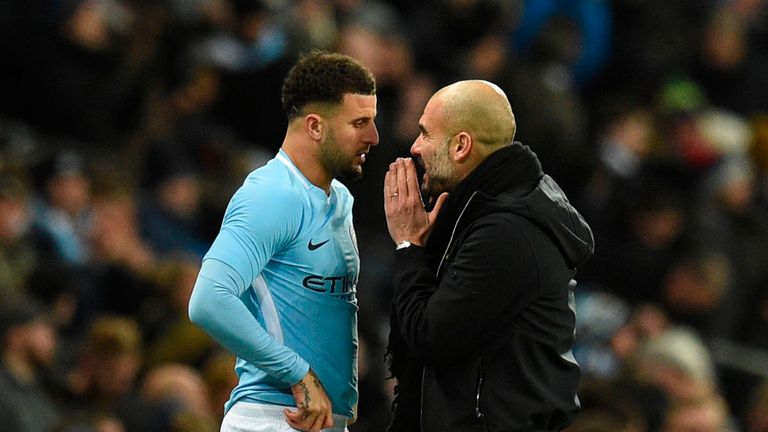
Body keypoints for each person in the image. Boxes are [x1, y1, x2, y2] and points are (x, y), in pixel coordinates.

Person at [383, 80, 595, 431]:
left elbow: (429, 336)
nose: (415, 147)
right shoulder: (487, 210)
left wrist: (408, 246)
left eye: (426, 134)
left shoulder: (507, 232)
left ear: (461, 146)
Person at [188, 50, 379, 432]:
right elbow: (208, 299)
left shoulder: (339, 199)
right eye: (360, 123)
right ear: (314, 126)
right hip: (272, 419)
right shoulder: (272, 193)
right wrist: (297, 373)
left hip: (318, 422)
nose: (373, 137)